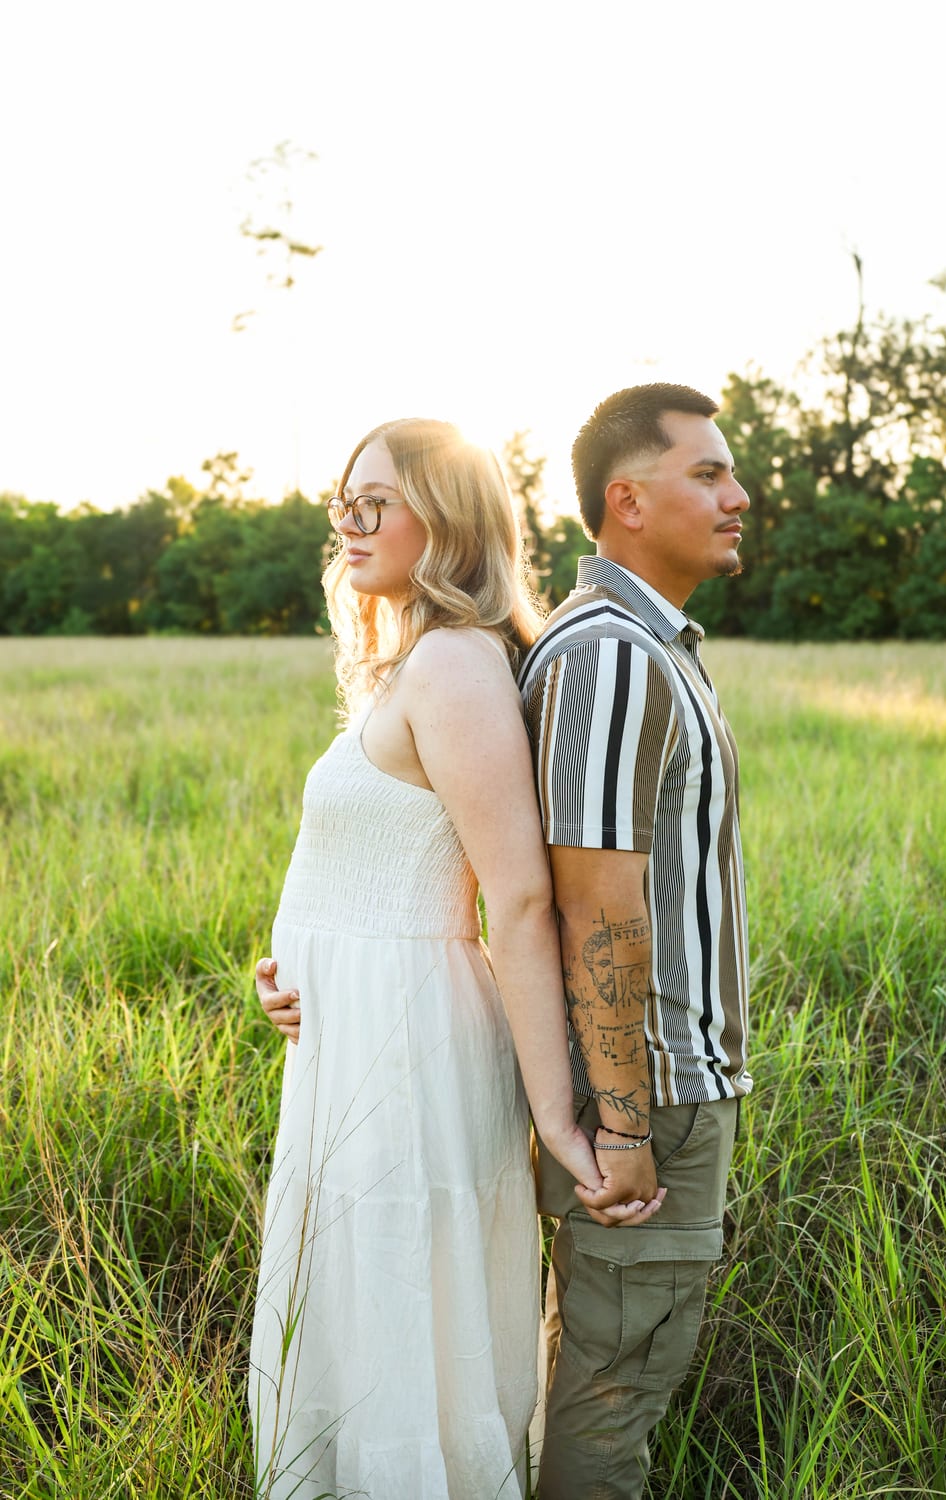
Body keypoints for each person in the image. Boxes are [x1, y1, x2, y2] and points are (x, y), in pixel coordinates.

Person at [248, 417, 663, 1500]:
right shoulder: (412, 663)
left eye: (374, 499)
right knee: (362, 1302)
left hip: (407, 1047)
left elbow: (518, 901)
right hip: (355, 1035)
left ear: (448, 519)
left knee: (399, 1306)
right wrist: (295, 970)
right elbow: (369, 864)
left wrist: (559, 1118)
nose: (348, 519)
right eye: (343, 497)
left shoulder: (450, 664)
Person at [519, 382, 753, 1499]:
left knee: (612, 1376)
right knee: (614, 1395)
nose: (737, 495)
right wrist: (622, 1126)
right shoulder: (614, 653)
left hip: (648, 1088)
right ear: (626, 500)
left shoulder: (640, 644)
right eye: (706, 473)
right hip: (647, 1092)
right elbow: (594, 911)